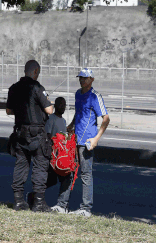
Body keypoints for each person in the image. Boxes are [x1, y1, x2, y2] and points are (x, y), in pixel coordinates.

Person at [6, 60, 54, 212]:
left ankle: (19, 201)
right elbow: (49, 110)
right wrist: (49, 103)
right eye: (38, 72)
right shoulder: (37, 87)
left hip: (20, 133)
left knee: (21, 165)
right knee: (40, 167)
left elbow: (8, 111)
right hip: (37, 134)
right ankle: (39, 203)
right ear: (35, 71)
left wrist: (22, 111)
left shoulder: (13, 88)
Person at [67, 68, 110, 217]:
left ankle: (86, 208)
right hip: (75, 139)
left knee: (86, 174)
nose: (82, 80)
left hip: (87, 141)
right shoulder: (77, 94)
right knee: (70, 171)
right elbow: (78, 112)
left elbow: (106, 118)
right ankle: (63, 204)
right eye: (80, 77)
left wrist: (96, 138)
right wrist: (71, 125)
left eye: (85, 78)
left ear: (92, 79)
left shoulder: (95, 96)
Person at [44, 97, 73, 214]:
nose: (63, 107)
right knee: (50, 180)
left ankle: (62, 204)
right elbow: (48, 136)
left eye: (64, 105)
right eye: (61, 104)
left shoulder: (64, 121)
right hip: (53, 155)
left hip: (62, 155)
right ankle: (36, 195)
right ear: (55, 105)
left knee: (67, 177)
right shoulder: (51, 119)